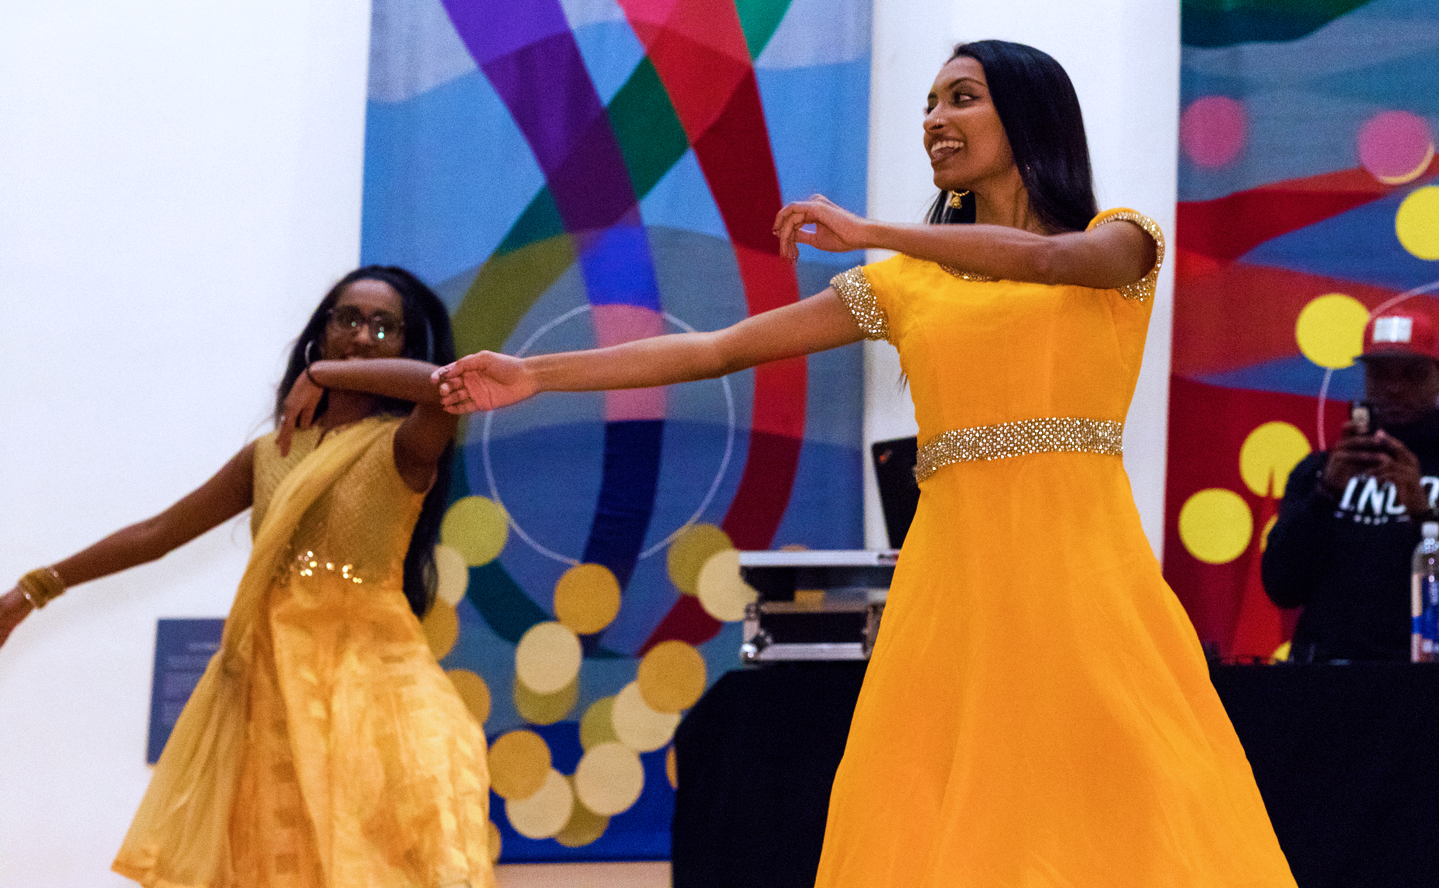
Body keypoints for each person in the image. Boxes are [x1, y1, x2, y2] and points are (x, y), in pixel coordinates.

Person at [433, 39, 1294, 887]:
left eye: (961, 97)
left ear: (1029, 114)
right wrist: (536, 373)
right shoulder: (903, 287)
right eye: (928, 103)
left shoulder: (1121, 241)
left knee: (1124, 790)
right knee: (935, 803)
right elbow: (717, 352)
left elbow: (1050, 260)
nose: (935, 120)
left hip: (1084, 573)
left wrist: (875, 230)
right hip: (950, 583)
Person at [0, 266, 495, 888]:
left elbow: (446, 385)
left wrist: (323, 373)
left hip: (374, 698)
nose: (362, 336)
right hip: (271, 697)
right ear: (321, 330)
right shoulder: (270, 455)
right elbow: (155, 536)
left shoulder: (404, 443)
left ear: (404, 343)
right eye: (347, 319)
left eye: (383, 326)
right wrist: (36, 589)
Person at [1263, 303, 1439, 663]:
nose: (1393, 388)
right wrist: (1325, 495)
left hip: (1424, 686)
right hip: (1327, 680)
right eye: (1380, 374)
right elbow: (1282, 587)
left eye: (1411, 374)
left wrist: (1424, 516)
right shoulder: (1319, 471)